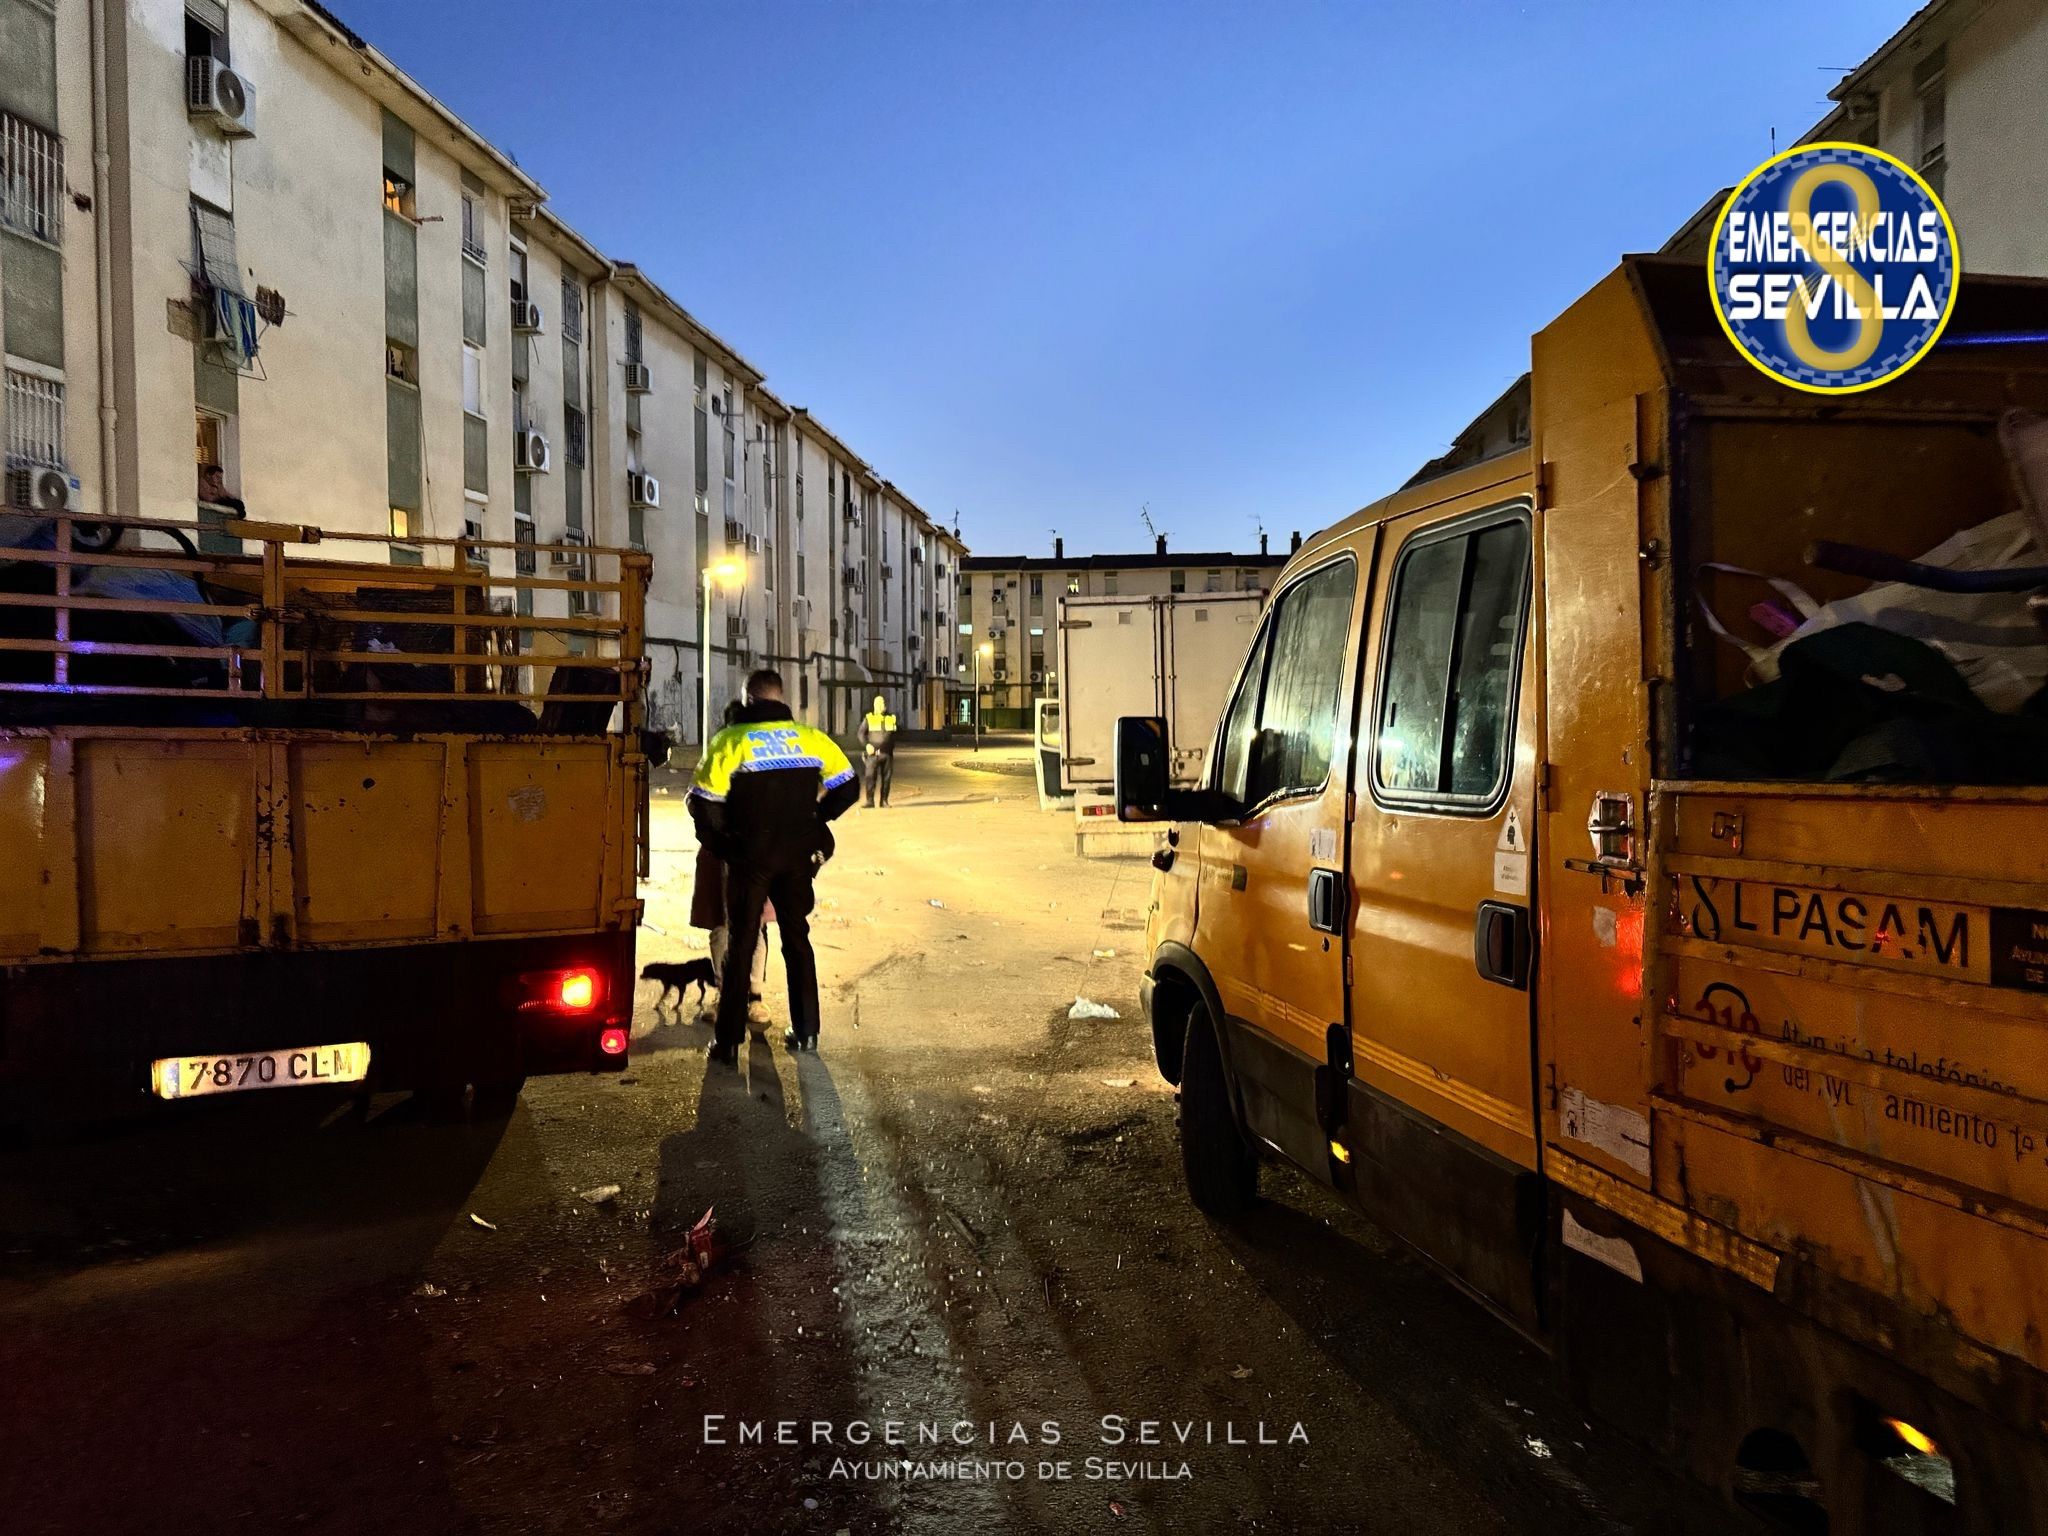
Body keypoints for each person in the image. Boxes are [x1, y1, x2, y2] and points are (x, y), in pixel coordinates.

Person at [689, 668, 858, 1060]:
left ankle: (729, 1041)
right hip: (797, 857)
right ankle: (807, 1032)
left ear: (748, 698)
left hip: (750, 858)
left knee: (741, 943)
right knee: (797, 940)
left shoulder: (730, 740)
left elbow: (703, 803)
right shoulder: (811, 738)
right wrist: (816, 819)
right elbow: (848, 786)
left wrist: (724, 844)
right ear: (782, 698)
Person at [690, 698, 770, 1029]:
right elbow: (696, 801)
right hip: (720, 854)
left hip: (752, 855)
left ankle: (753, 997)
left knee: (752, 926)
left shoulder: (763, 759)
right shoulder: (716, 758)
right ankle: (729, 995)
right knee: (723, 927)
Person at [858, 692, 899, 808]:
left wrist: (893, 738)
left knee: (886, 778)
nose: (881, 706)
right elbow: (861, 733)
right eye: (878, 704)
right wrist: (866, 745)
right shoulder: (869, 718)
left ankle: (884, 801)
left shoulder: (891, 718)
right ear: (875, 705)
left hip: (887, 754)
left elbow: (897, 734)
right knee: (870, 777)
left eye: (882, 703)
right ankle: (870, 801)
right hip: (873, 754)